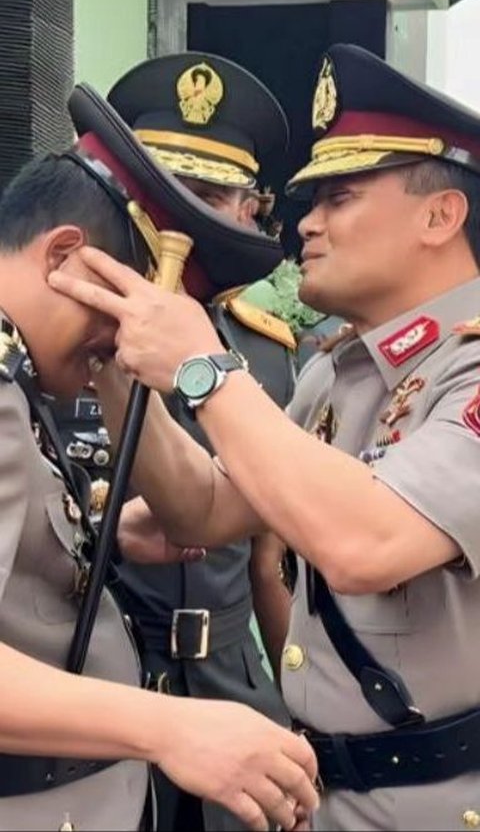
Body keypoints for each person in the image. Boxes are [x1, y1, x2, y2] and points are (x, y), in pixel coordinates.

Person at [49, 42, 480, 832]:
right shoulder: (340, 370)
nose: (305, 224)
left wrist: (204, 369)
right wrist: (116, 365)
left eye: (339, 198)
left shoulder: (470, 370)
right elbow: (205, 510)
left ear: (440, 214)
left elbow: (366, 542)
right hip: (324, 793)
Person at [0, 107, 319, 829]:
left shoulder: (25, 377)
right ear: (62, 257)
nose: (126, 343)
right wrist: (172, 726)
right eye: (124, 310)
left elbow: (200, 512)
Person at [102, 53, 297, 832]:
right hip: (100, 695)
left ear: (252, 210)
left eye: (216, 196)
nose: (189, 220)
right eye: (166, 192)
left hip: (236, 690)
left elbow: (269, 560)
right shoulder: (61, 341)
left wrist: (299, 706)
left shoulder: (273, 352)